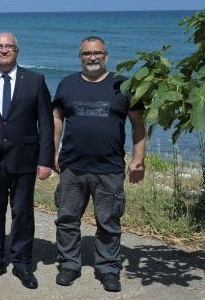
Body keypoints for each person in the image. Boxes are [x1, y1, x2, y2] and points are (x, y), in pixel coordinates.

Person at [52, 36, 146, 292]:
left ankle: (108, 268)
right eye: (86, 54)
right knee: (67, 218)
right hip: (72, 167)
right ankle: (69, 264)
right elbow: (57, 117)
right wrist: (53, 150)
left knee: (108, 222)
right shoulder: (67, 84)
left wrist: (138, 160)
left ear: (106, 56)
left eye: (97, 53)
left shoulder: (124, 85)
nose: (92, 57)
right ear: (80, 57)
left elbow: (138, 125)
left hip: (109, 168)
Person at [0, 32, 53, 289]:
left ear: (17, 50)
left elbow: (46, 123)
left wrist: (45, 160)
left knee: (22, 213)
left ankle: (22, 262)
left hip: (24, 158)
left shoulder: (35, 81)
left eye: (9, 46)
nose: (3, 50)